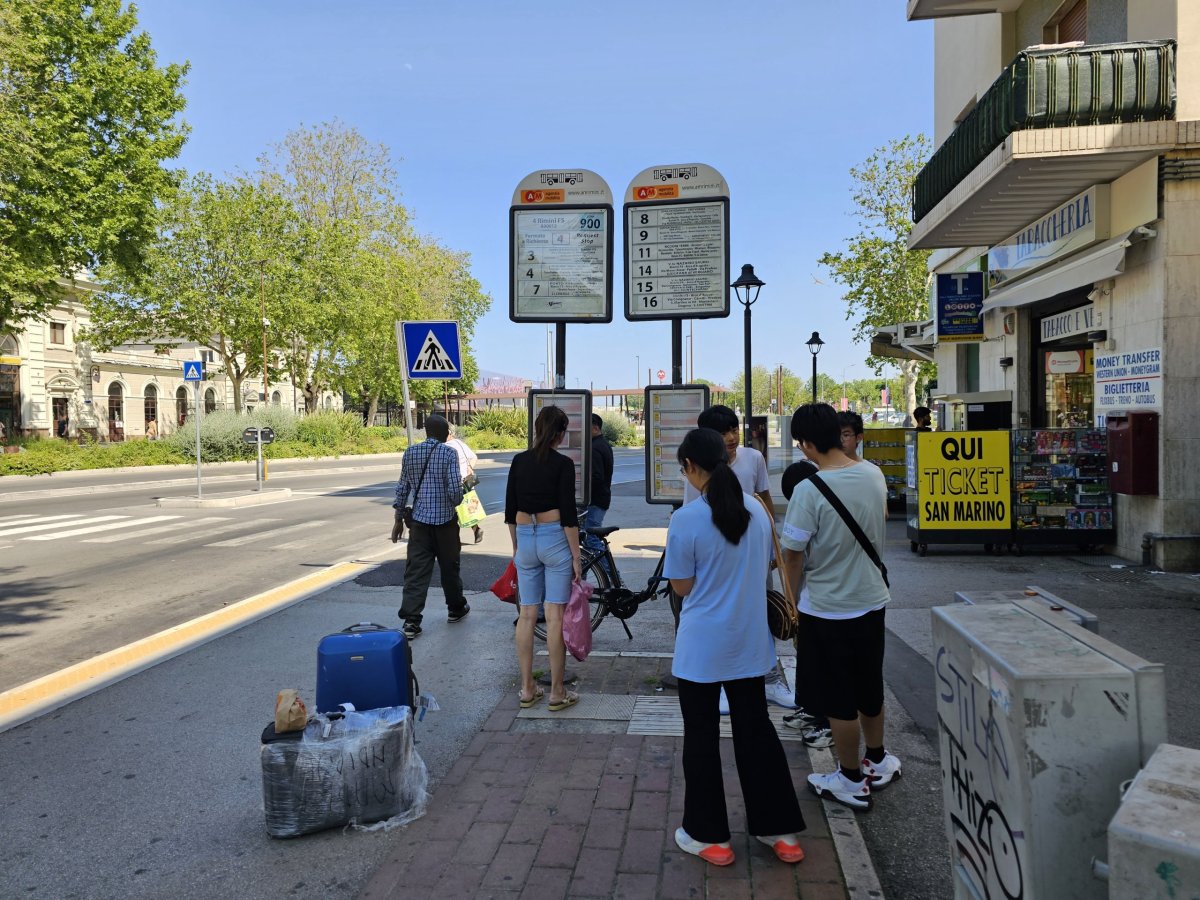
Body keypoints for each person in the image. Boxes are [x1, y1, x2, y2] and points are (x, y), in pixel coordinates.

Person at [666, 427, 806, 867]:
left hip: (701, 650)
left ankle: (710, 838)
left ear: (691, 467)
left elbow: (682, 587)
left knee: (701, 738)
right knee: (757, 734)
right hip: (750, 645)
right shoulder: (758, 511)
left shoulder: (686, 519)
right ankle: (780, 833)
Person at [780, 403, 900, 812]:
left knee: (838, 699)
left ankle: (849, 778)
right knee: (870, 685)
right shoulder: (873, 474)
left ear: (810, 443)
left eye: (802, 444)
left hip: (828, 608)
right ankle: (878, 758)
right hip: (872, 600)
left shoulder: (808, 491)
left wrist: (791, 604)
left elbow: (792, 555)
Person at [683, 405, 790, 710]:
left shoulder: (753, 458)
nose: (730, 437)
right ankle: (718, 682)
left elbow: (765, 501)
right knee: (720, 618)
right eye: (722, 432)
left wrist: (773, 547)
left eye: (733, 429)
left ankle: (770, 679)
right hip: (717, 558)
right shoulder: (698, 470)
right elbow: (692, 514)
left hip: (754, 553)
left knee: (762, 613)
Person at [505, 405, 582, 713]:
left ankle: (526, 689)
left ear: (537, 429)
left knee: (526, 615)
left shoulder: (519, 461)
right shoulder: (563, 464)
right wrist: (576, 556)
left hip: (524, 537)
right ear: (560, 434)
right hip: (554, 539)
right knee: (554, 617)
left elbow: (510, 511)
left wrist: (516, 548)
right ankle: (557, 692)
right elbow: (569, 515)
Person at [391, 414, 470, 640]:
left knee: (416, 571)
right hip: (445, 523)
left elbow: (402, 489)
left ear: (426, 432)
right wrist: (457, 500)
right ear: (444, 433)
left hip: (419, 525)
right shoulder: (449, 453)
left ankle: (411, 621)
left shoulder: (410, 453)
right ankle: (455, 608)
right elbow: (455, 492)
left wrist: (398, 520)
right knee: (450, 568)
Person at [583, 413, 613, 561]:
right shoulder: (604, 444)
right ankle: (583, 579)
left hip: (595, 501)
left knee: (591, 541)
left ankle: (614, 578)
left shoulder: (594, 448)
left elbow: (596, 477)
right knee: (589, 543)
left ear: (595, 428)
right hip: (601, 499)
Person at [445, 427, 483, 544]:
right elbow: (473, 457)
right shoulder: (459, 443)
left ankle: (453, 537)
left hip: (453, 482)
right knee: (467, 508)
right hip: (466, 480)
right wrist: (470, 467)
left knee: (453, 510)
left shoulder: (445, 446)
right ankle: (476, 529)